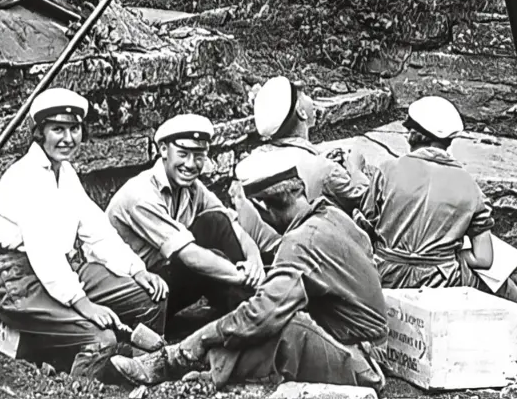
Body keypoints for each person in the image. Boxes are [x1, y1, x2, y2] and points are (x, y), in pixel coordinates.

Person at [112, 150, 389, 390]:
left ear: (261, 207)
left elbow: (259, 316)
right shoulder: (333, 215)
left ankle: (174, 361)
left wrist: (203, 336)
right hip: (370, 345)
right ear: (299, 188)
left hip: (359, 362)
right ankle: (181, 361)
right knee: (268, 317)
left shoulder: (300, 242)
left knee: (275, 327)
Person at [0, 87, 169, 377]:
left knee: (149, 297)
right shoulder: (26, 177)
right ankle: (76, 386)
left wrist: (136, 270)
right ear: (39, 133)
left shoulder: (65, 172)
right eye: (57, 129)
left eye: (74, 129)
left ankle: (142, 370)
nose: (68, 138)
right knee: (101, 340)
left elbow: (96, 229)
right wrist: (83, 303)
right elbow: (43, 252)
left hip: (61, 272)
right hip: (19, 282)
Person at [358, 96, 517, 314]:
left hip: (386, 276)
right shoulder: (470, 186)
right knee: (499, 282)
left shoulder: (387, 170)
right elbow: (484, 259)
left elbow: (365, 229)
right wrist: (455, 256)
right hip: (440, 281)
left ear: (413, 134)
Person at [106, 114, 266, 322]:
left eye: (199, 156)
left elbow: (230, 223)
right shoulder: (140, 194)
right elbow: (188, 255)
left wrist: (254, 260)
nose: (191, 164)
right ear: (164, 150)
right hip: (138, 293)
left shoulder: (192, 188)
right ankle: (251, 311)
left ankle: (248, 305)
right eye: (183, 153)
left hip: (164, 277)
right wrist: (242, 276)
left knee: (215, 222)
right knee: (213, 258)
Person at [234, 76, 371, 255]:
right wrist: (356, 167)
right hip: (321, 251)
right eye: (304, 94)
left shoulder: (256, 159)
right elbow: (365, 199)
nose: (310, 98)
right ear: (302, 112)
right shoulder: (323, 168)